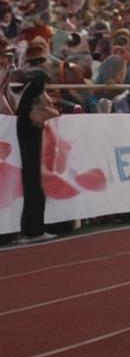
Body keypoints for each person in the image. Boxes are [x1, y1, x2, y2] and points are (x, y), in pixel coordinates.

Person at [16, 70, 60, 244]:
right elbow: (48, 113)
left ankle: (28, 231)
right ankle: (36, 230)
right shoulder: (33, 106)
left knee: (31, 188)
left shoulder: (25, 105)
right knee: (35, 190)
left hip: (28, 154)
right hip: (31, 154)